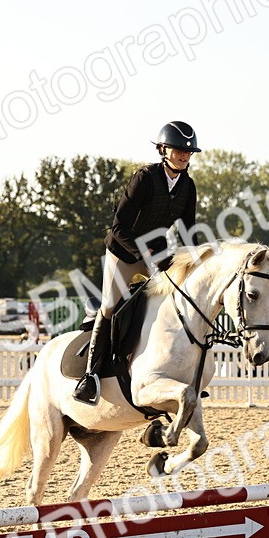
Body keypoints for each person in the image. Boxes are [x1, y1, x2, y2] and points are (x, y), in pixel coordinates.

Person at [74, 120, 201, 404]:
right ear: (163, 149)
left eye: (188, 152)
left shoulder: (188, 186)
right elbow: (118, 226)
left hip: (157, 253)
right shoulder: (145, 178)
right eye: (179, 150)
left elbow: (188, 231)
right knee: (109, 306)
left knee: (176, 300)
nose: (184, 155)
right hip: (124, 250)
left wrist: (194, 260)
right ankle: (90, 377)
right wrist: (142, 253)